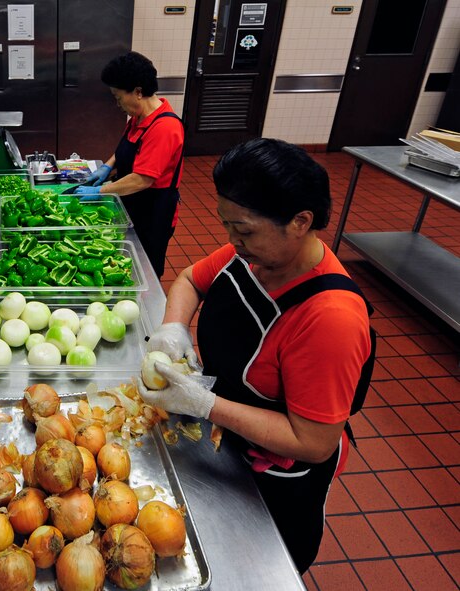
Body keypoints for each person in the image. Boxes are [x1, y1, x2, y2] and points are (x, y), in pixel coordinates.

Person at [140, 138, 372, 573]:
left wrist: (206, 404)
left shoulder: (330, 318)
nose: (232, 240)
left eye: (244, 230)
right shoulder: (250, 258)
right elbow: (191, 280)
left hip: (273, 482)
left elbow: (314, 442)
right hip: (223, 445)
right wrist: (173, 328)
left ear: (300, 222)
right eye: (227, 225)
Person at [74, 51, 184, 279]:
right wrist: (106, 167)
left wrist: (100, 191)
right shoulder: (140, 117)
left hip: (152, 213)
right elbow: (127, 149)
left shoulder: (165, 128)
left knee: (144, 271)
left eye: (118, 97)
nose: (117, 104)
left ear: (138, 92)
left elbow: (142, 179)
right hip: (131, 203)